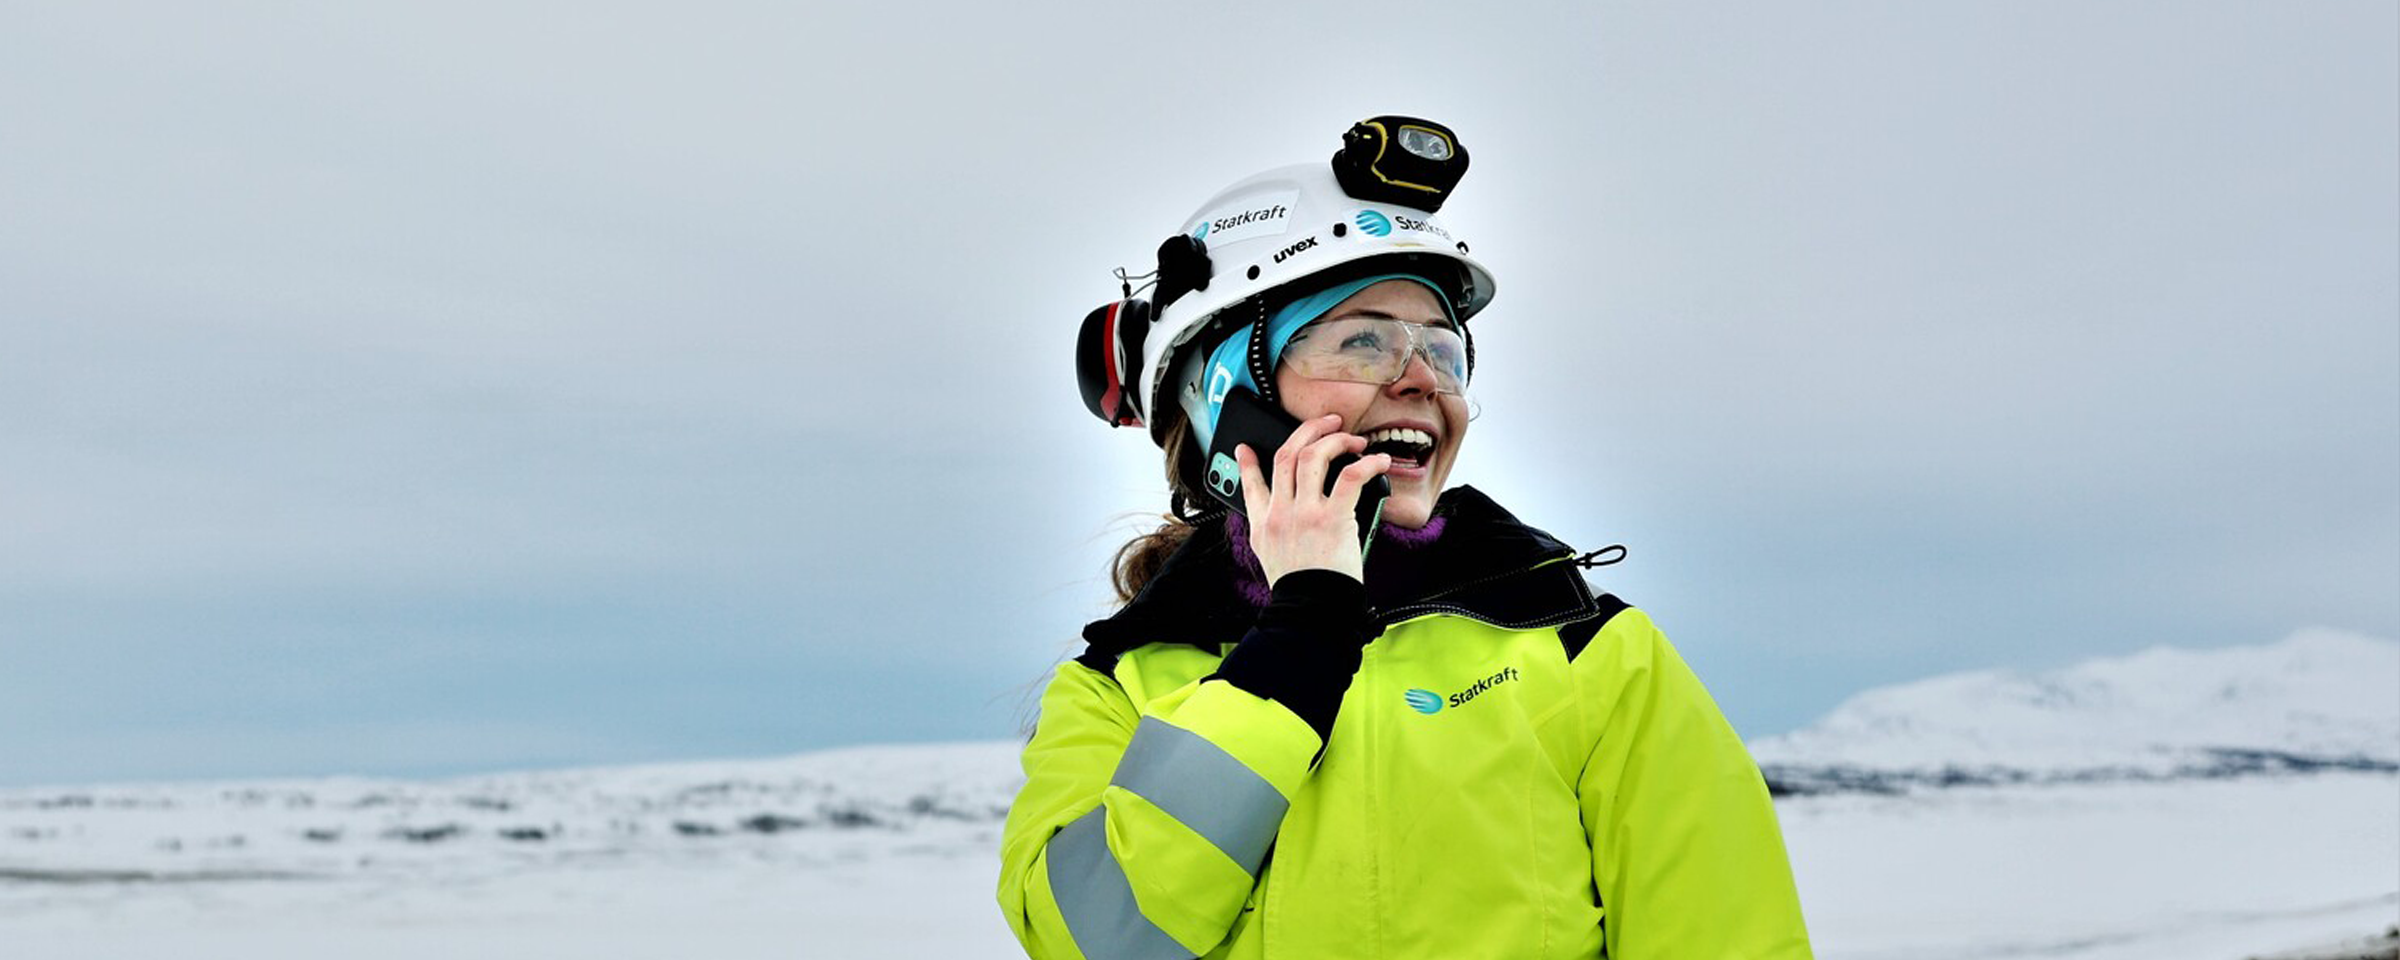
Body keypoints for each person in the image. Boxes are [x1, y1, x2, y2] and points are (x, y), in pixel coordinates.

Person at [1001, 117, 1812, 960]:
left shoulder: (1590, 655)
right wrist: (1300, 636)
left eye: (1442, 350)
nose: (1423, 381)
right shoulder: (1115, 689)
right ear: (1225, 394)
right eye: (1363, 342)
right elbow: (1102, 939)